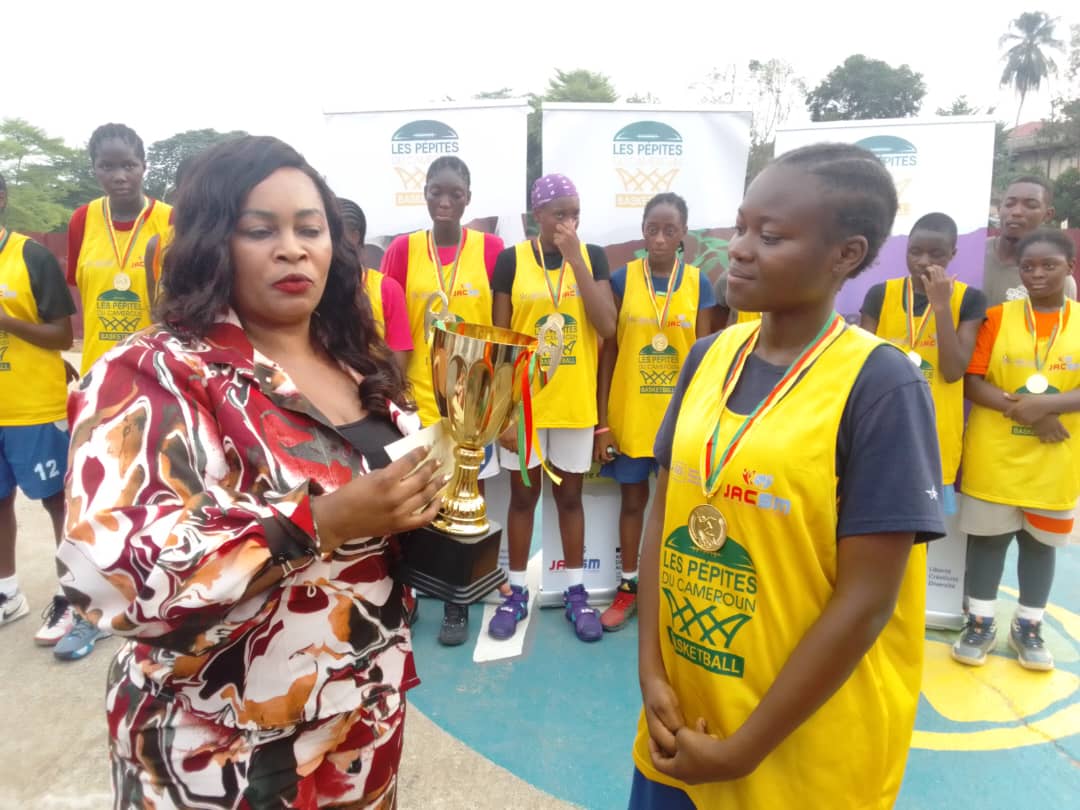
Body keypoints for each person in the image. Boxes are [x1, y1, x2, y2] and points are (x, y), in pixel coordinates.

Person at [57, 136, 445, 808]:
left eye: (310, 229)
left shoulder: (355, 360)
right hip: (220, 742)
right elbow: (113, 572)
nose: (292, 248)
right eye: (260, 230)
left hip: (362, 717)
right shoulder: (153, 372)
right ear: (211, 242)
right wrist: (318, 523)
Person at [630, 143, 943, 809]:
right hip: (683, 729)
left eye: (769, 236)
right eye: (741, 227)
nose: (740, 249)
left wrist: (744, 749)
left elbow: (866, 604)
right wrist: (651, 669)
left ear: (845, 255)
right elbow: (665, 513)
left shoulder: (881, 385)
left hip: (798, 758)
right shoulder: (708, 356)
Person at [379, 156, 505, 646]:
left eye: (455, 193)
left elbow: (501, 325)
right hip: (418, 397)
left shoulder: (491, 249)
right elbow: (390, 323)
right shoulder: (403, 250)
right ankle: (409, 594)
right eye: (436, 192)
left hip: (472, 401)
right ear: (425, 194)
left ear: (469, 196)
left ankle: (458, 600)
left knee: (464, 503)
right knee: (417, 500)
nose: (445, 202)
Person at [491, 173, 617, 643]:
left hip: (574, 403)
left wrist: (575, 260)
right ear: (536, 216)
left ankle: (576, 592)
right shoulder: (510, 260)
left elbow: (606, 327)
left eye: (574, 214)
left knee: (570, 499)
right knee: (523, 499)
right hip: (525, 407)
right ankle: (517, 592)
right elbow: (502, 341)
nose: (568, 222)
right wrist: (503, 411)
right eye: (559, 213)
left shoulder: (592, 256)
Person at [953, 229, 1079, 672]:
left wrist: (1051, 407)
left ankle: (1028, 627)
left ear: (1070, 267)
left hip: (1054, 460)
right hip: (996, 456)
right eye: (1029, 267)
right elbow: (972, 380)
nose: (1038, 274)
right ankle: (980, 622)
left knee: (1040, 545)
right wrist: (1030, 412)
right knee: (988, 542)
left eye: (1050, 265)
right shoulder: (997, 317)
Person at [594, 192, 717, 632]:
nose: (660, 238)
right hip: (630, 416)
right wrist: (602, 422)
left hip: (681, 420)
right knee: (633, 503)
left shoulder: (699, 283)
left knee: (677, 510)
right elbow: (608, 351)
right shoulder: (622, 279)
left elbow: (703, 358)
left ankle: (670, 593)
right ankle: (628, 587)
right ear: (642, 231)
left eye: (670, 230)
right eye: (652, 229)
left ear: (683, 233)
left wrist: (703, 422)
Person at [0, 172, 86, 653]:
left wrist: (6, 321)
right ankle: (7, 591)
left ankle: (69, 594)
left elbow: (60, 337)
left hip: (34, 406)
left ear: (3, 199)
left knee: (56, 501)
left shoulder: (28, 256)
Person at [860, 212, 987, 507]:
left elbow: (954, 370)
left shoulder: (970, 300)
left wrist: (941, 306)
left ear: (953, 254)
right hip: (882, 425)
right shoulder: (881, 294)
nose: (922, 261)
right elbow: (861, 365)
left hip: (934, 432)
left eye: (936, 253)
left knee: (920, 530)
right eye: (915, 251)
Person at [67, 123, 173, 375]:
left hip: (156, 368)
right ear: (94, 169)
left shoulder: (170, 221)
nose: (119, 176)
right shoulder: (82, 219)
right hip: (98, 369)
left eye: (128, 165)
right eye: (106, 166)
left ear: (143, 166)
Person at [338, 198, 412, 372]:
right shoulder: (313, 290)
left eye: (334, 234)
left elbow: (399, 362)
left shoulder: (386, 289)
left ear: (355, 236)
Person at [984, 175, 1076, 306]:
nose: (1016, 212)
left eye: (1031, 205)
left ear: (1048, 214)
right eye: (1009, 204)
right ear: (999, 209)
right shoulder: (968, 253)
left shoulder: (1059, 278)